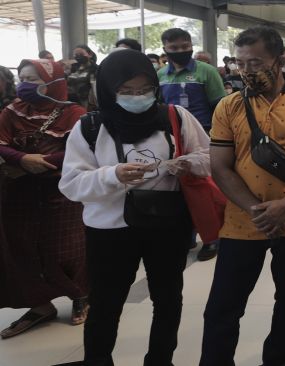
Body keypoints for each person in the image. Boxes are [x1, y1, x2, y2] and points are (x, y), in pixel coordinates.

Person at [59, 49, 210, 365]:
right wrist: (112, 175)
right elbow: (71, 184)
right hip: (110, 230)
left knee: (168, 299)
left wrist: (188, 163)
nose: (137, 97)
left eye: (144, 90)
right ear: (108, 90)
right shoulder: (89, 128)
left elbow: (209, 158)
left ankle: (160, 359)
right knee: (106, 303)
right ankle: (98, 360)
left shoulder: (175, 117)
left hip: (167, 225)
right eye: (126, 91)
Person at [201, 26, 285, 366]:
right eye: (240, 63)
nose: (246, 71)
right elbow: (220, 167)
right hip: (242, 222)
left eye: (256, 62)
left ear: (281, 59)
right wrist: (257, 210)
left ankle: (277, 357)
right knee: (223, 306)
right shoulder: (228, 107)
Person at [0, 59, 88, 339]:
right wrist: (24, 159)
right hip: (18, 191)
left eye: (33, 80)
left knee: (68, 248)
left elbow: (81, 148)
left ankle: (81, 295)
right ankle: (40, 305)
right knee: (21, 247)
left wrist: (44, 161)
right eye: (22, 78)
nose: (25, 85)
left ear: (54, 83)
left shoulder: (74, 113)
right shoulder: (12, 111)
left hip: (60, 190)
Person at [158, 28, 225, 261]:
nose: (181, 51)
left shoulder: (206, 72)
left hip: (203, 136)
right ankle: (188, 232)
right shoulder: (160, 75)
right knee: (178, 189)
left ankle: (213, 238)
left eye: (185, 45)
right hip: (172, 138)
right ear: (165, 49)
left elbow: (219, 105)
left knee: (204, 189)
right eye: (174, 48)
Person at [67, 44, 98, 111]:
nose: (78, 56)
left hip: (86, 103)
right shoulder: (73, 68)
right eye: (76, 54)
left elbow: (95, 89)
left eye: (81, 54)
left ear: (90, 54)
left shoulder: (95, 69)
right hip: (71, 102)